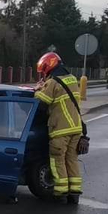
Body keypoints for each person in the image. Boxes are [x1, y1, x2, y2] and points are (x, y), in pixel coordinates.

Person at [34, 52, 85, 204]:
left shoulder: (53, 83)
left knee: (58, 160)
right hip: (75, 129)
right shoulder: (72, 79)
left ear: (48, 66)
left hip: (60, 129)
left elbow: (42, 104)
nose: (43, 74)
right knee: (71, 159)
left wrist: (37, 90)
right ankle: (74, 192)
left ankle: (60, 191)